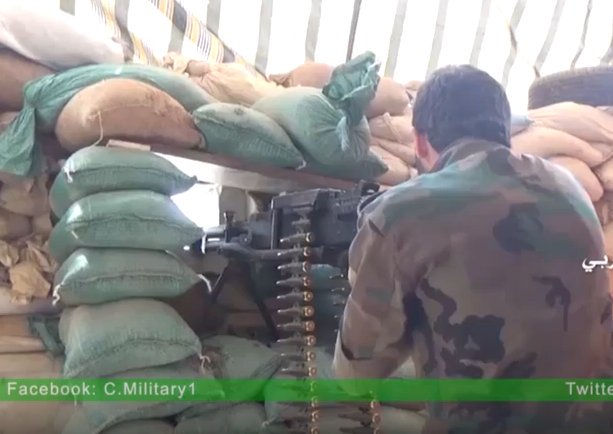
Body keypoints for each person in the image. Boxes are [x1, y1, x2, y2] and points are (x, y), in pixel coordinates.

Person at [332, 65, 613, 433]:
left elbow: (357, 375)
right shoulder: (568, 185)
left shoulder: (400, 212)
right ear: (505, 130)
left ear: (418, 141)